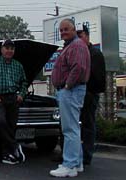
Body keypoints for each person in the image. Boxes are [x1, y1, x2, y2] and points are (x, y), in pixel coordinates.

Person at [50, 19, 91, 177]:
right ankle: (77, 162)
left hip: (71, 91)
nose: (63, 32)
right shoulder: (73, 45)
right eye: (61, 30)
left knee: (69, 130)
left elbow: (79, 67)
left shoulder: (77, 45)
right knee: (73, 128)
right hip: (71, 91)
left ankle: (69, 165)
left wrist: (67, 86)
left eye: (66, 29)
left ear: (74, 30)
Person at [77, 25, 106, 165]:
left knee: (88, 125)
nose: (78, 38)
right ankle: (69, 153)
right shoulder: (77, 52)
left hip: (89, 95)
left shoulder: (95, 54)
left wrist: (87, 90)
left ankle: (87, 155)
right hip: (76, 95)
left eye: (80, 35)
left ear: (87, 36)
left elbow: (98, 78)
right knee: (72, 125)